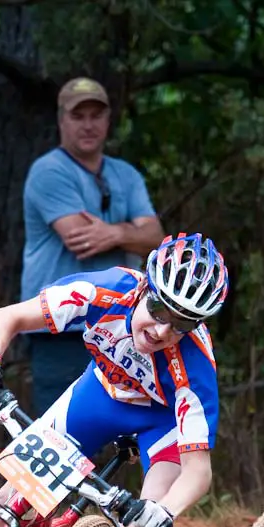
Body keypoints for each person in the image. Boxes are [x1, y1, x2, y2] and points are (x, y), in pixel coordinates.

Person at [0, 233, 228, 527]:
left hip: (161, 423)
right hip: (102, 394)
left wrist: (165, 510)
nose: (161, 330)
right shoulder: (107, 290)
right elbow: (9, 317)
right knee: (10, 500)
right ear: (144, 288)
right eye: (157, 308)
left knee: (147, 521)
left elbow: (197, 472)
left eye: (182, 323)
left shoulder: (193, 368)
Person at [21, 76, 166, 414]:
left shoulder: (125, 174)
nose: (88, 125)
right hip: (59, 329)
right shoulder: (48, 171)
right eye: (78, 116)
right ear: (61, 120)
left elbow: (157, 236)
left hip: (117, 330)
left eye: (96, 115)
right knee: (57, 436)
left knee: (118, 438)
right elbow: (80, 238)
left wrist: (114, 234)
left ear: (108, 119)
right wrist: (132, 230)